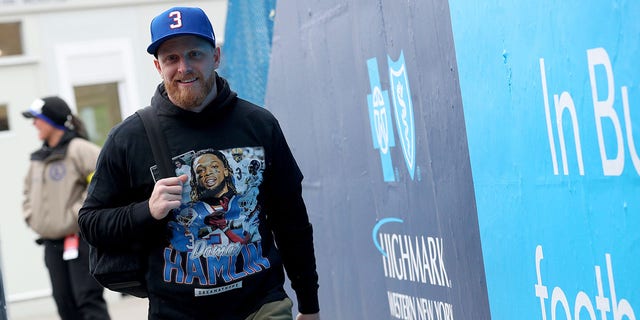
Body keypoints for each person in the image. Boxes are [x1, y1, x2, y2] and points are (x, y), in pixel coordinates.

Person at [78, 6, 320, 320]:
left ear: (216, 56)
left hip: (260, 304)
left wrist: (309, 304)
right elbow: (91, 222)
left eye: (195, 54)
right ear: (158, 66)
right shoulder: (129, 138)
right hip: (176, 311)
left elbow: (292, 220)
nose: (184, 68)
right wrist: (146, 211)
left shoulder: (258, 125)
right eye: (171, 59)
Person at [21, 96, 111, 320]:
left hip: (79, 241)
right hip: (52, 245)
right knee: (65, 306)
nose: (34, 125)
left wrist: (77, 214)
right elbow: (26, 193)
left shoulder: (79, 149)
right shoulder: (38, 158)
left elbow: (103, 181)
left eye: (37, 120)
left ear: (51, 121)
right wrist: (31, 216)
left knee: (88, 302)